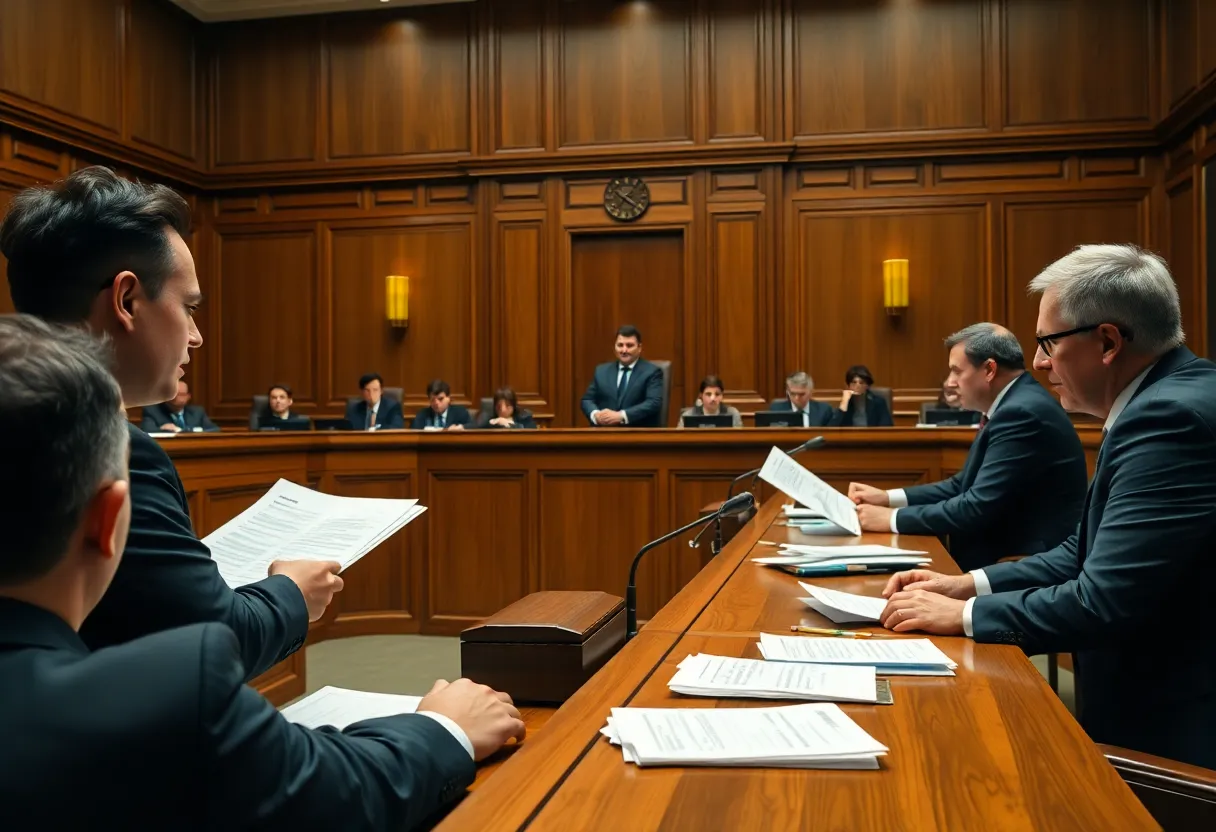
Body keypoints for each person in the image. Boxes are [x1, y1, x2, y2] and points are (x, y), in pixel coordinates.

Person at [0, 314, 526, 829]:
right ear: (109, 519)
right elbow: (337, 792)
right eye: (188, 306)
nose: (196, 331)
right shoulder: (166, 696)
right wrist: (443, 726)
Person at [879, 245, 1216, 768]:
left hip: (1170, 738)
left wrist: (963, 615)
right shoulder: (1171, 396)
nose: (1037, 363)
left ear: (1107, 341)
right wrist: (963, 585)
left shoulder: (1167, 420)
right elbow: (1080, 552)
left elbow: (1101, 600)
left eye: (1047, 343)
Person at [1, 166, 340, 680]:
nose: (197, 337)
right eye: (189, 308)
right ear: (127, 300)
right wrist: (292, 592)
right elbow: (209, 641)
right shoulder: (112, 451)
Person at [850, 324, 1087, 570]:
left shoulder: (1021, 412)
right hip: (1002, 553)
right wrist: (887, 498)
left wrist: (891, 519)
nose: (950, 383)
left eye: (956, 371)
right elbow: (961, 485)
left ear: (989, 370)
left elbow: (975, 506)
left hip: (1022, 564)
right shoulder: (1014, 404)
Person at [580, 325, 665, 428]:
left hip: (638, 435)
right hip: (604, 435)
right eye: (620, 345)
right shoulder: (601, 371)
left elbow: (653, 403)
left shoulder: (652, 372)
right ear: (614, 347)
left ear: (639, 348)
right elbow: (587, 400)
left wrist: (621, 416)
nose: (624, 350)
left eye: (629, 345)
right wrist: (596, 415)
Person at [140, 380, 219, 433]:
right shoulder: (152, 411)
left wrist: (187, 430)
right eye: (175, 394)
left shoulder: (197, 412)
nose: (178, 398)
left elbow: (214, 429)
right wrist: (161, 429)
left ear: (188, 397)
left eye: (182, 394)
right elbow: (146, 431)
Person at [767, 371, 838, 427]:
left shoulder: (823, 410)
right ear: (787, 392)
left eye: (801, 394)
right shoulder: (777, 410)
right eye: (793, 394)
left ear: (811, 392)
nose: (796, 398)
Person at [678, 374, 742, 427]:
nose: (713, 398)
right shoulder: (688, 415)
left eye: (717, 394)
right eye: (708, 394)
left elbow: (740, 439)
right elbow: (678, 440)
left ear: (722, 396)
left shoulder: (733, 414)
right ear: (701, 396)